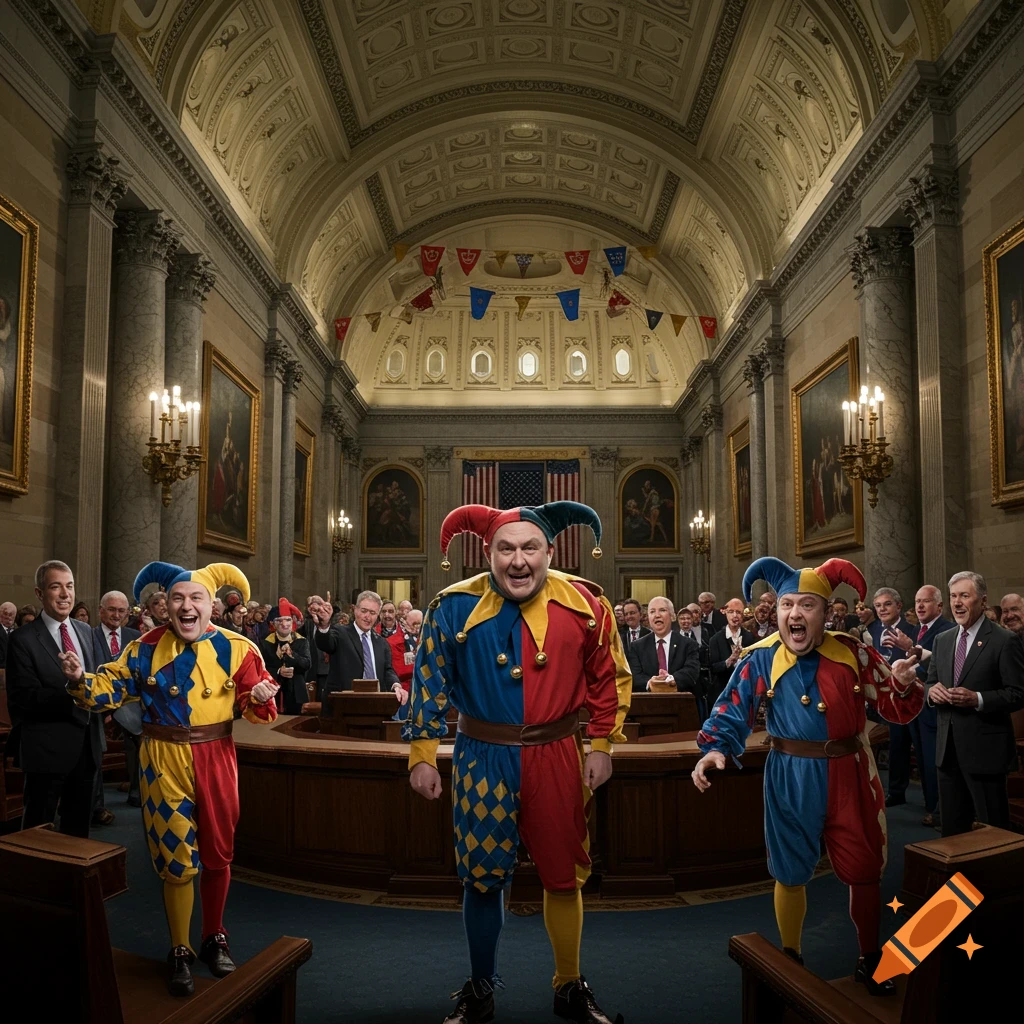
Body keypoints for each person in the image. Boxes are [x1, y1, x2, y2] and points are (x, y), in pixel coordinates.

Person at [405, 500, 630, 1024]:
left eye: (531, 547)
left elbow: (609, 679)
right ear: (488, 553)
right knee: (482, 878)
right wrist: (421, 754)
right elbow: (428, 684)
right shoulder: (451, 606)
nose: (518, 560)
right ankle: (480, 987)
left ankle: (569, 985)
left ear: (551, 551)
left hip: (558, 755)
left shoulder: (588, 604)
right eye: (505, 548)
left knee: (563, 875)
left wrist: (602, 745)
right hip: (481, 757)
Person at [692, 556, 923, 995]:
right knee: (789, 869)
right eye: (786, 605)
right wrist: (715, 750)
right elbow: (729, 709)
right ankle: (791, 956)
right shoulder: (760, 658)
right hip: (791, 774)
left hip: (850, 772)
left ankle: (869, 958)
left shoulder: (852, 651)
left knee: (864, 869)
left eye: (807, 606)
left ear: (827, 611)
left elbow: (895, 707)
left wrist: (906, 684)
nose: (794, 614)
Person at [62, 560, 280, 996]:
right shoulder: (143, 647)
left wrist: (257, 696)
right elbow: (110, 686)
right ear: (165, 606)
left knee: (219, 852)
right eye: (177, 599)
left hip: (216, 755)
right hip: (162, 758)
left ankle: (214, 936)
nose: (186, 606)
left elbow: (260, 708)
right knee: (175, 859)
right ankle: (179, 948)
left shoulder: (239, 648)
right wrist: (77, 680)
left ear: (211, 605)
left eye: (195, 598)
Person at [6, 560, 104, 838]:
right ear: (39, 594)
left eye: (69, 586)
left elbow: (97, 681)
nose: (65, 594)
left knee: (78, 832)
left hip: (88, 746)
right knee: (38, 830)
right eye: (55, 587)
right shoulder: (23, 639)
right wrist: (74, 687)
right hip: (46, 749)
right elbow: (24, 697)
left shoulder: (86, 631)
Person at [924, 571, 1024, 836]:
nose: (957, 603)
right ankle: (960, 880)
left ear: (982, 600)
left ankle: (999, 880)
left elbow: (1018, 693)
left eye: (964, 596)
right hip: (947, 752)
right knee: (952, 833)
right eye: (954, 596)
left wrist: (977, 699)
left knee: (994, 833)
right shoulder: (942, 640)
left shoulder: (1005, 640)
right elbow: (929, 683)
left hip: (986, 753)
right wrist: (931, 693)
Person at [868, 588, 919, 811]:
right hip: (881, 697)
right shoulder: (871, 630)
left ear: (898, 606)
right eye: (878, 606)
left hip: (907, 697)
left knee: (912, 746)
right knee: (892, 746)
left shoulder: (913, 631)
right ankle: (895, 792)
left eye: (887, 604)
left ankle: (932, 803)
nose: (882, 610)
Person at [310, 590, 403, 704]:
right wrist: (324, 625)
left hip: (375, 706)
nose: (367, 616)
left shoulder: (382, 643)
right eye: (364, 611)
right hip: (342, 706)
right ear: (355, 610)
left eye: (373, 613)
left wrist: (396, 685)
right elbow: (325, 643)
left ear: (378, 616)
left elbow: (388, 670)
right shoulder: (340, 632)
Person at [94, 590, 143, 807]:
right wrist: (107, 711)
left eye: (121, 611)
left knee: (140, 739)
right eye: (112, 610)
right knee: (94, 747)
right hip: (98, 704)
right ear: (101, 611)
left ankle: (137, 791)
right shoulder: (88, 635)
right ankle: (96, 805)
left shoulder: (135, 637)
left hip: (129, 703)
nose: (116, 615)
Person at [626, 596, 700, 696]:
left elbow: (692, 671)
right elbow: (635, 675)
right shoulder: (637, 646)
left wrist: (670, 680)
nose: (657, 615)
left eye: (662, 610)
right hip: (647, 705)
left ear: (672, 616)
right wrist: (651, 683)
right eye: (652, 612)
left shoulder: (688, 644)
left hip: (680, 704)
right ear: (648, 617)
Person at [261, 599, 312, 714]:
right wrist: (278, 671)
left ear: (292, 622)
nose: (284, 624)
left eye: (288, 620)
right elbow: (260, 668)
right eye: (279, 621)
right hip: (272, 694)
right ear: (273, 624)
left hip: (296, 694)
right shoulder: (265, 643)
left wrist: (292, 655)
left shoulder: (302, 641)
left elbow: (307, 664)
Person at [708, 598, 756, 703]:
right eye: (731, 612)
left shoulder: (749, 637)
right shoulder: (715, 639)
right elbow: (713, 668)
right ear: (725, 613)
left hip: (745, 691)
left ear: (743, 615)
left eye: (738, 612)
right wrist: (729, 661)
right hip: (722, 692)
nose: (735, 615)